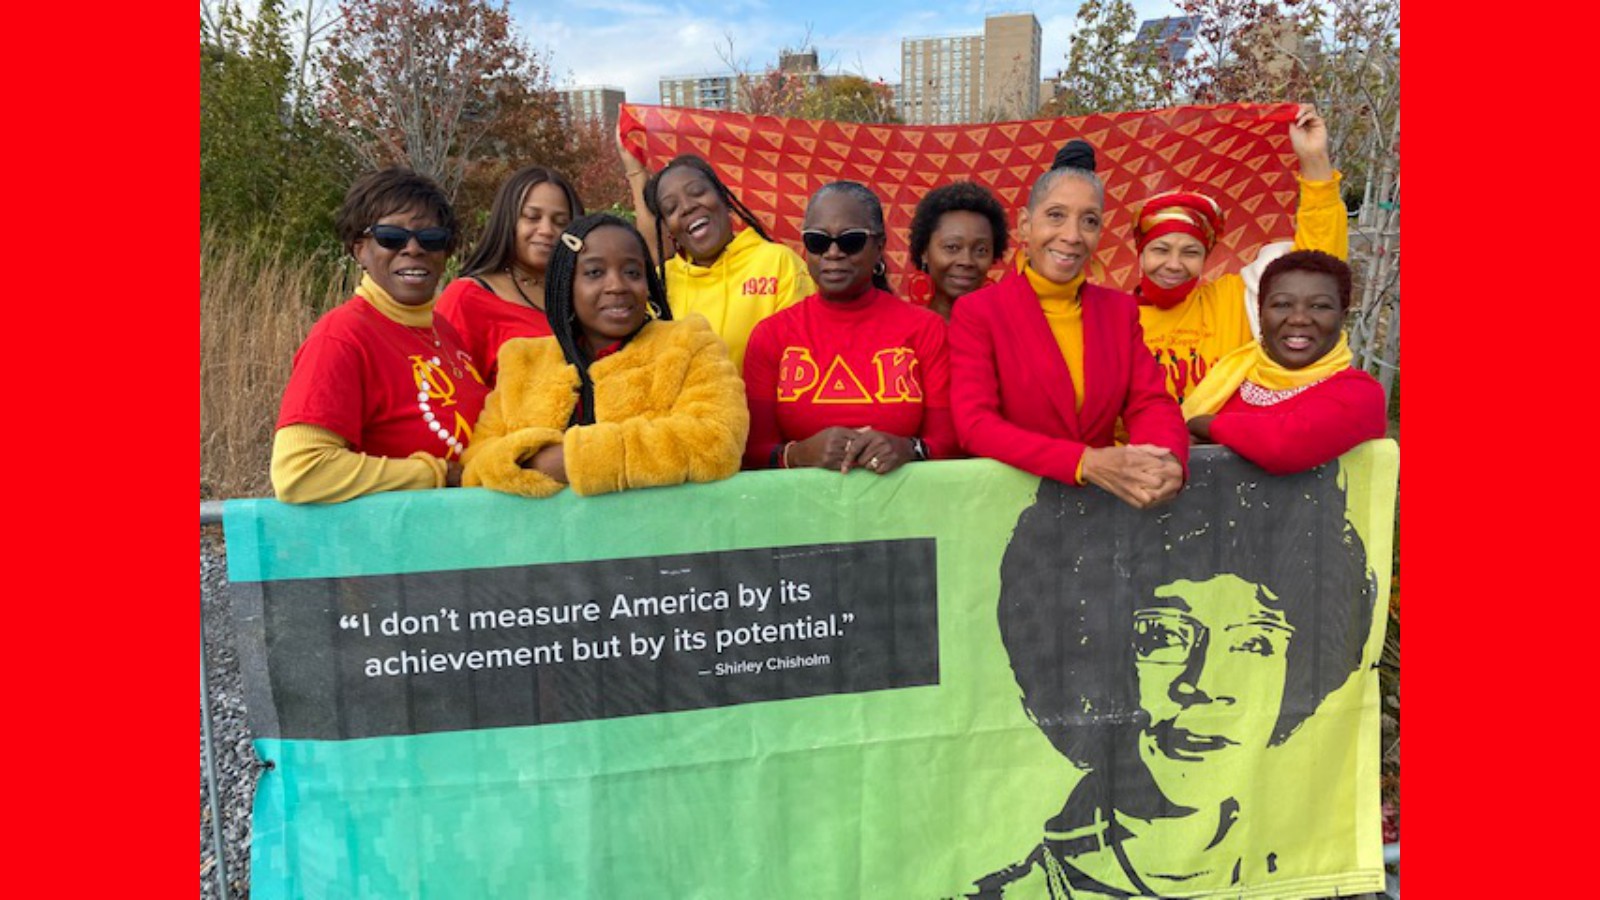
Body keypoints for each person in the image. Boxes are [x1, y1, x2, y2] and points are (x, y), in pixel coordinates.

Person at [970, 460, 1376, 898]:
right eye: (1164, 635)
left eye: (1254, 642)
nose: (1205, 685)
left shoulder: (1318, 873)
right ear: (1091, 648)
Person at [949, 141, 1187, 509]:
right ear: (1026, 225)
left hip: (1104, 508)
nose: (1073, 236)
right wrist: (1084, 462)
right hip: (1010, 512)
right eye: (1056, 216)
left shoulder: (1119, 311)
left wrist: (1167, 458)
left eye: (1089, 221)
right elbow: (975, 425)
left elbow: (1150, 402)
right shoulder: (979, 312)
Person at [462, 214, 748, 498]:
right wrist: (529, 459)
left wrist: (571, 460)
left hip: (657, 539)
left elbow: (717, 440)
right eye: (595, 273)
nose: (617, 286)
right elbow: (476, 463)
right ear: (566, 284)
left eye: (633, 273)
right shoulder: (523, 360)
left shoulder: (689, 343)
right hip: (545, 542)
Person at [271, 167, 488, 504]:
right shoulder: (343, 336)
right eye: (391, 236)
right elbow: (300, 471)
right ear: (359, 249)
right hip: (393, 551)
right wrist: (435, 474)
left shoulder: (444, 332)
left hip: (462, 547)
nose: (413, 248)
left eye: (431, 238)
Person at [1133, 104, 1348, 405]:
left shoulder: (1232, 300)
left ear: (1205, 257)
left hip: (1228, 449)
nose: (1174, 264)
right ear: (1140, 252)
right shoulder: (1112, 318)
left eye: (1190, 252)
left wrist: (1314, 161)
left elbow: (1319, 269)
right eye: (1160, 249)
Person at [743, 182, 958, 474]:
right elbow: (750, 452)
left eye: (851, 241)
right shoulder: (770, 336)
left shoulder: (926, 329)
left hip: (905, 513)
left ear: (879, 246)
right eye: (818, 241)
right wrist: (801, 453)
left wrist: (908, 449)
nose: (833, 253)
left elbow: (949, 441)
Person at [1182, 250, 1386, 474]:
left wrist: (1203, 424)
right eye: (1282, 304)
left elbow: (1284, 446)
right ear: (1260, 313)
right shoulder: (1230, 376)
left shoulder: (1359, 394)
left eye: (1319, 306)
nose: (1299, 318)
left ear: (1342, 316)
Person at [618, 138, 815, 369]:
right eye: (671, 208)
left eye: (697, 192)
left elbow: (805, 361)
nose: (687, 207)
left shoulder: (778, 263)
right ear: (669, 230)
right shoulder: (658, 284)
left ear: (724, 198)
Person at [436, 166, 584, 385]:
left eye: (560, 222)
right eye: (532, 217)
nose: (546, 230)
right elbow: (446, 391)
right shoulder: (467, 298)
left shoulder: (584, 295)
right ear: (508, 220)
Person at [907, 181, 1010, 319]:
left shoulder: (1006, 331)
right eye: (952, 247)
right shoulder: (904, 332)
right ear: (924, 252)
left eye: (981, 250)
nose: (967, 261)